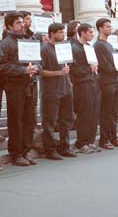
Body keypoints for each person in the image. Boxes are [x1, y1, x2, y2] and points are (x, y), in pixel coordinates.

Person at [0, 12, 39, 166]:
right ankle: (16, 153)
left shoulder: (29, 40)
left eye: (23, 22)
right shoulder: (5, 43)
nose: (22, 25)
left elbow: (38, 60)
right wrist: (23, 70)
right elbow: (2, 66)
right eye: (18, 23)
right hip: (15, 86)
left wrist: (35, 67)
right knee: (16, 120)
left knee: (30, 120)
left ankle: (25, 150)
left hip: (31, 84)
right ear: (9, 26)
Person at [40, 23, 76, 160]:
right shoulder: (45, 49)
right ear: (52, 33)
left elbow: (67, 67)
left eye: (64, 32)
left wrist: (67, 78)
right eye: (60, 32)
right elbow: (40, 71)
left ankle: (64, 146)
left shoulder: (64, 47)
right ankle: (50, 149)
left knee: (67, 119)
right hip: (51, 90)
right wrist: (58, 73)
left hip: (66, 88)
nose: (63, 35)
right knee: (50, 121)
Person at [94, 18, 118, 149]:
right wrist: (117, 71)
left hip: (115, 81)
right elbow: (104, 65)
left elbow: (115, 61)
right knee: (106, 112)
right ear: (101, 29)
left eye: (110, 26)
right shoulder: (98, 45)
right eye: (107, 27)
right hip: (106, 82)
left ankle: (114, 137)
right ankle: (105, 139)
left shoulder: (109, 45)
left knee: (114, 112)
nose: (110, 28)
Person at [70, 23, 101, 154]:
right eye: (89, 32)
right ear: (81, 33)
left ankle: (90, 141)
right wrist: (89, 68)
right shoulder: (75, 48)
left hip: (93, 82)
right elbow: (75, 69)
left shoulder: (89, 47)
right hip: (82, 84)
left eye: (92, 32)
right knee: (84, 114)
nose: (92, 35)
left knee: (93, 113)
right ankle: (81, 143)